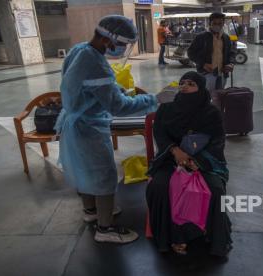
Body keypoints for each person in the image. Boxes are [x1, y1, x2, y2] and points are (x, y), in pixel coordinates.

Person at [54, 15, 157, 243]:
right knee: (103, 176)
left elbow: (86, 85)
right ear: (107, 39)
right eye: (121, 44)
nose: (121, 49)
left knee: (85, 171)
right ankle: (105, 228)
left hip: (75, 122)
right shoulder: (97, 64)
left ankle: (91, 211)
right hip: (88, 128)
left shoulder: (80, 50)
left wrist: (114, 87)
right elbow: (117, 106)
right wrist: (153, 99)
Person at [146, 71, 232, 257]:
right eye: (182, 82)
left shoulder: (211, 113)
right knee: (160, 187)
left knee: (215, 189)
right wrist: (175, 151)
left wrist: (196, 161)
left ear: (201, 89)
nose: (184, 86)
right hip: (170, 158)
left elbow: (217, 141)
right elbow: (160, 135)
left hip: (204, 161)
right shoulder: (166, 109)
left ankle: (210, 233)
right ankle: (172, 235)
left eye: (191, 83)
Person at [187, 12, 236, 92]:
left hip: (222, 74)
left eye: (220, 23)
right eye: (214, 23)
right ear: (210, 23)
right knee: (206, 96)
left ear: (223, 23)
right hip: (206, 74)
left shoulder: (226, 37)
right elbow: (190, 53)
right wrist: (203, 64)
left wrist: (231, 63)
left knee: (220, 96)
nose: (217, 25)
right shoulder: (201, 37)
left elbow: (231, 53)